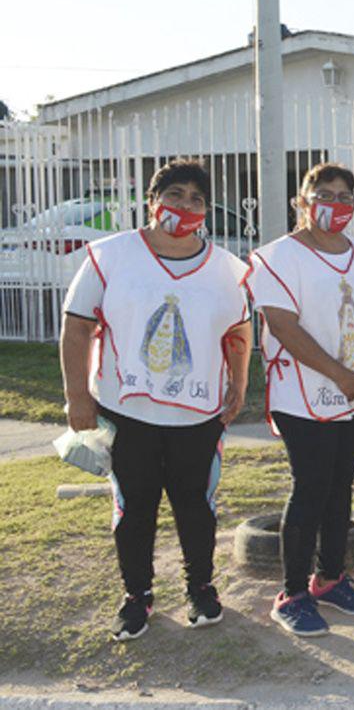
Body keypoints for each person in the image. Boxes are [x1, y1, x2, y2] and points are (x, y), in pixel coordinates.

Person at [58, 159, 252, 641]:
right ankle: (137, 595)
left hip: (198, 415)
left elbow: (239, 331)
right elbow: (77, 326)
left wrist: (240, 384)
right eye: (175, 194)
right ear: (152, 201)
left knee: (196, 505)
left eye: (197, 199)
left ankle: (200, 588)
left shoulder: (227, 268)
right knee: (134, 507)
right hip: (128, 413)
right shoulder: (110, 255)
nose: (185, 206)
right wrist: (77, 397)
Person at [248, 164, 354, 637]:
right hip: (305, 393)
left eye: (345, 195)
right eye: (323, 193)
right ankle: (291, 593)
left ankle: (329, 578)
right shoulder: (275, 257)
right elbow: (283, 327)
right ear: (302, 200)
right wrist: (342, 375)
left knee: (341, 486)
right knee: (311, 486)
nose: (335, 202)